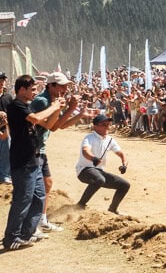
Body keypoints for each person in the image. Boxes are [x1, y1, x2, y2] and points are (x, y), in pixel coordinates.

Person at [3, 75, 63, 251]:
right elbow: (36, 119)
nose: (35, 92)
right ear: (22, 90)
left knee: (38, 197)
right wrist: (53, 106)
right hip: (23, 161)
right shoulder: (16, 105)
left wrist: (58, 110)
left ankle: (26, 233)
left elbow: (48, 125)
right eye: (32, 89)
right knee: (23, 199)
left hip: (34, 158)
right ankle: (11, 237)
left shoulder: (26, 106)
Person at [31, 72, 83, 233]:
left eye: (66, 86)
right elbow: (50, 126)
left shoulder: (53, 100)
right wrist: (65, 108)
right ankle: (32, 224)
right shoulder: (42, 101)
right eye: (61, 85)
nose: (65, 89)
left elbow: (59, 125)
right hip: (31, 148)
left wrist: (72, 109)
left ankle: (41, 219)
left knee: (46, 184)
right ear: (51, 85)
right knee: (36, 187)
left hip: (40, 147)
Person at [75, 114, 130, 214]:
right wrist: (93, 158)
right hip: (84, 170)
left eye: (108, 124)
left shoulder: (110, 140)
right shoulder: (89, 138)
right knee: (100, 179)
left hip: (99, 172)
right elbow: (85, 151)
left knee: (124, 185)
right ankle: (80, 205)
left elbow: (122, 154)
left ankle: (112, 209)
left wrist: (124, 165)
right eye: (103, 124)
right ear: (95, 126)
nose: (107, 127)